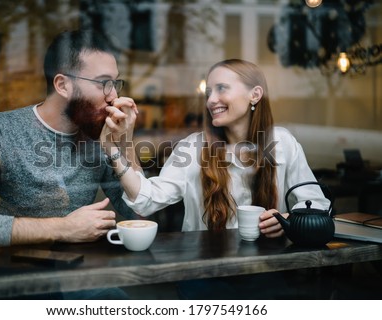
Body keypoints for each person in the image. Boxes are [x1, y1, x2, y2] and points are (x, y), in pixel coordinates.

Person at [0, 29, 140, 298]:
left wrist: (124, 145)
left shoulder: (100, 136)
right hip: (10, 283)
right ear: (63, 85)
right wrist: (63, 228)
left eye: (115, 83)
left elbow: (140, 214)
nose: (113, 96)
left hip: (80, 281)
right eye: (103, 83)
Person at [101, 58, 330, 299]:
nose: (211, 100)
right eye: (209, 92)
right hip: (204, 278)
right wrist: (117, 147)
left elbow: (317, 206)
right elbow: (145, 199)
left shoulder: (283, 143)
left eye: (222, 89)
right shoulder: (192, 148)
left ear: (255, 94)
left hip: (269, 275)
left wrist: (289, 220)